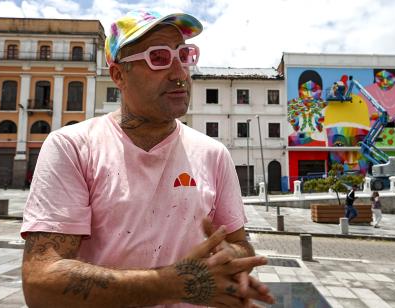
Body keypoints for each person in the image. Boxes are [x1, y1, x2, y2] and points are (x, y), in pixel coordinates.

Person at [20, 9, 274, 308]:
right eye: (159, 58)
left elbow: (239, 243)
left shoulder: (213, 154)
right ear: (118, 75)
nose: (180, 73)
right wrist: (171, 284)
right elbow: (40, 282)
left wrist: (234, 258)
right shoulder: (73, 147)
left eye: (184, 55)